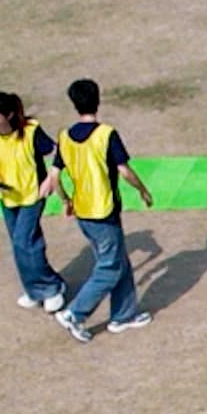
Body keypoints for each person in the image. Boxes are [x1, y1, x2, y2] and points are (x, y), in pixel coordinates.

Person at [49, 77, 156, 340]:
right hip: (103, 211)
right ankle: (75, 313)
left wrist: (65, 200)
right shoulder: (106, 134)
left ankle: (124, 315)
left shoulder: (64, 137)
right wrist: (142, 189)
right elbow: (124, 170)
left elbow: (54, 177)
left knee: (119, 261)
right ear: (98, 100)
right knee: (110, 267)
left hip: (82, 211)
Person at [0, 91, 66, 311]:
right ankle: (34, 289)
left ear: (9, 115)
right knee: (20, 243)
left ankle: (51, 288)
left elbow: (60, 152)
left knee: (25, 242)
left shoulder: (31, 131)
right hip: (7, 195)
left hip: (32, 194)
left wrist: (51, 179)